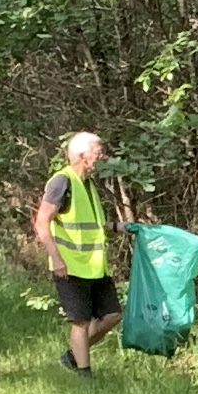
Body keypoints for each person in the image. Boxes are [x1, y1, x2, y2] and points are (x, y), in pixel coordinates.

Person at [33, 133, 123, 370]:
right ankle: (85, 377)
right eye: (98, 150)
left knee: (112, 315)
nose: (102, 154)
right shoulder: (62, 181)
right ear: (83, 155)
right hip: (70, 266)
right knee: (81, 322)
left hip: (95, 265)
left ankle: (72, 356)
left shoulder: (89, 184)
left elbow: (93, 225)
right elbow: (42, 222)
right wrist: (56, 259)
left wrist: (120, 227)